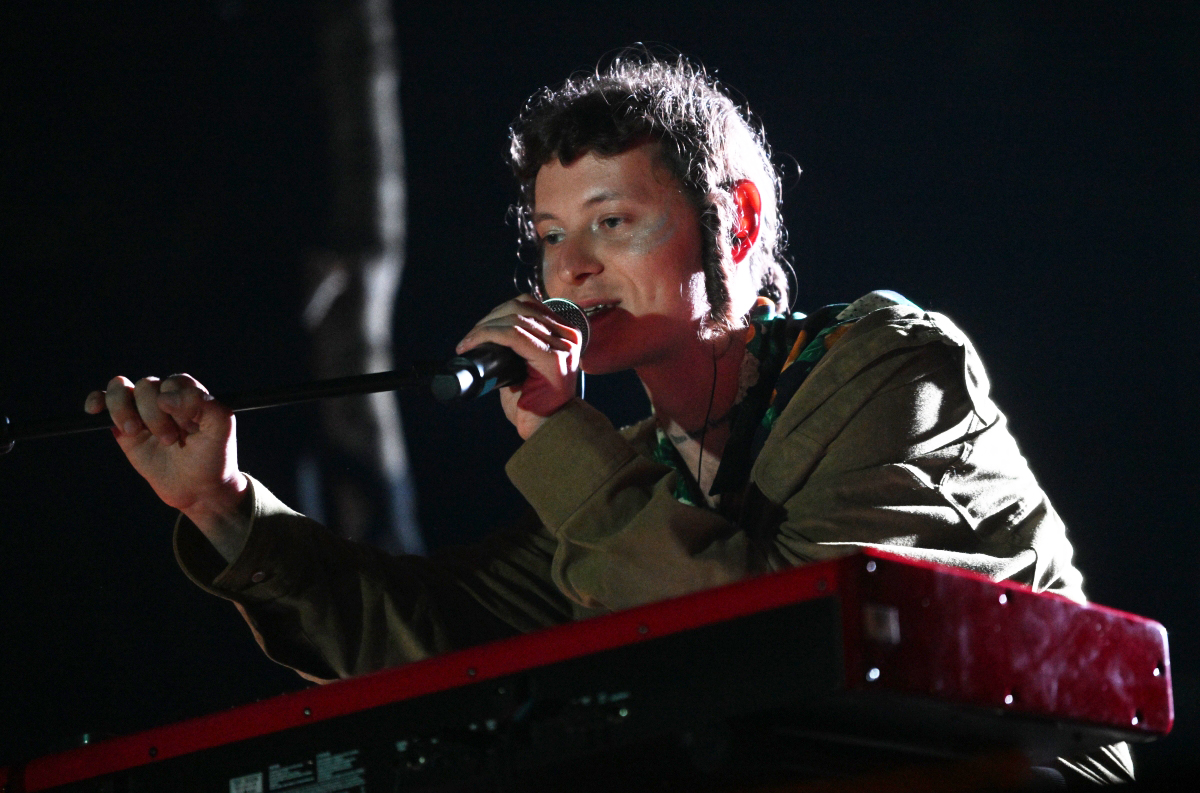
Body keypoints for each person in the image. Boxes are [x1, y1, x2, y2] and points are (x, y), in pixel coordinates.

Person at [85, 52, 1130, 783]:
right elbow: (435, 640)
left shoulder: (887, 364)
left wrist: (558, 439)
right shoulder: (634, 468)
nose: (570, 269)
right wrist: (223, 505)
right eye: (550, 235)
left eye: (613, 221)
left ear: (739, 221)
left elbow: (795, 642)